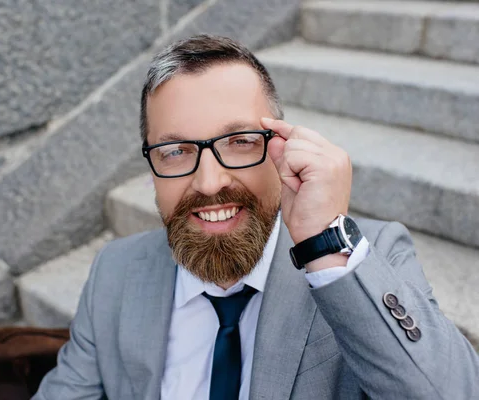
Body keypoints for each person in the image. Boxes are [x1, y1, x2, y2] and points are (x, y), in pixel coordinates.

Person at [33, 34, 479, 400]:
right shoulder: (115, 271)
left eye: (240, 142)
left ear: (282, 147)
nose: (209, 182)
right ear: (152, 167)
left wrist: (324, 246)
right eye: (175, 151)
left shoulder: (367, 261)